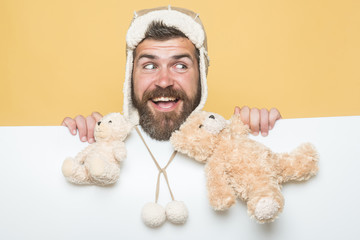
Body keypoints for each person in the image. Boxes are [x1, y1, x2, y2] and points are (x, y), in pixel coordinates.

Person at [62, 6, 281, 143]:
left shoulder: (234, 145)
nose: (164, 81)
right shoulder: (104, 147)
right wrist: (72, 140)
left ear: (201, 77)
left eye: (180, 66)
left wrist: (271, 135)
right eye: (149, 66)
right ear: (130, 75)